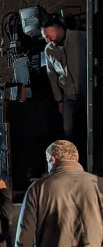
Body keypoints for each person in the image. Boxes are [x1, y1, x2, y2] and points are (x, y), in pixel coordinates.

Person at [42, 17, 87, 161]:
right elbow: (52, 76)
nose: (47, 40)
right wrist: (59, 100)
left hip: (88, 93)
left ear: (59, 29)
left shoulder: (81, 38)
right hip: (68, 96)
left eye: (49, 35)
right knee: (69, 131)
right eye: (45, 37)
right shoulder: (49, 50)